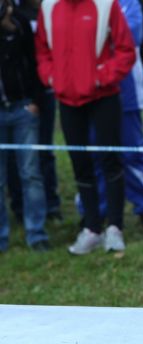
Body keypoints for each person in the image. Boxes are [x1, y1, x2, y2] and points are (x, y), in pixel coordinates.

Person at [36, 0, 135, 254]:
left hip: (104, 97)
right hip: (67, 99)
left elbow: (126, 51)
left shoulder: (106, 5)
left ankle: (115, 227)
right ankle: (92, 228)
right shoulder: (49, 6)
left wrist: (101, 77)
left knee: (111, 160)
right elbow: (42, 51)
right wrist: (52, 77)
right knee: (80, 163)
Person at [77, 0, 143, 228]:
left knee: (132, 152)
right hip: (89, 90)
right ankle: (95, 208)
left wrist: (93, 35)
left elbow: (132, 35)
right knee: (94, 153)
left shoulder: (128, 3)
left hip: (127, 90)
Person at [6, 0, 62, 224]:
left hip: (41, 94)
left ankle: (51, 204)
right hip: (18, 98)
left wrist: (38, 97)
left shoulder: (45, 11)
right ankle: (20, 206)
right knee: (13, 157)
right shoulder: (14, 16)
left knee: (43, 151)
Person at [0, 0, 49, 252]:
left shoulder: (20, 25)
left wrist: (36, 101)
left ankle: (36, 234)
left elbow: (34, 62)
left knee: (30, 173)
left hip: (23, 108)